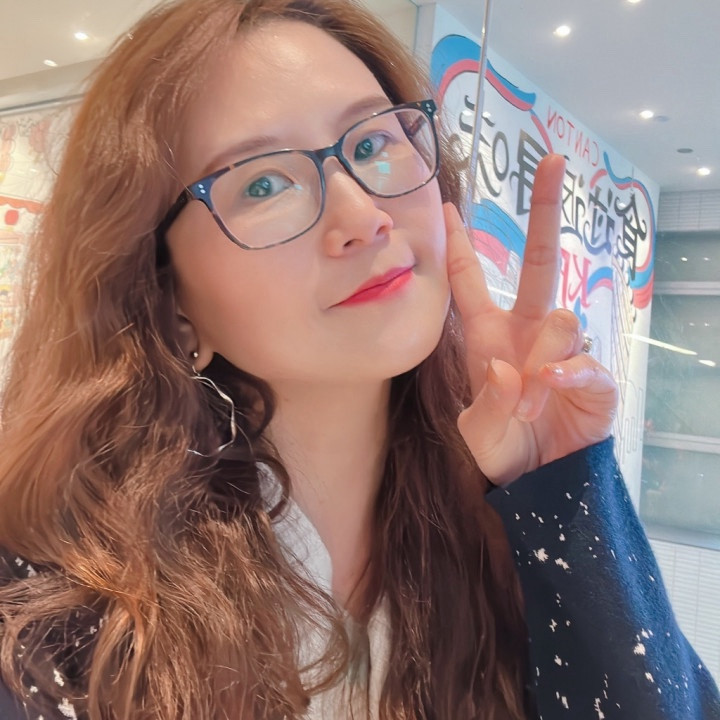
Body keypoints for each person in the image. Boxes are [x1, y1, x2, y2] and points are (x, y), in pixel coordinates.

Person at [0, 0, 718, 718]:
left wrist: (564, 489)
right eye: (263, 183)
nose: (363, 216)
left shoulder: (501, 529)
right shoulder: (51, 617)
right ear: (166, 295)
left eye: (373, 142)